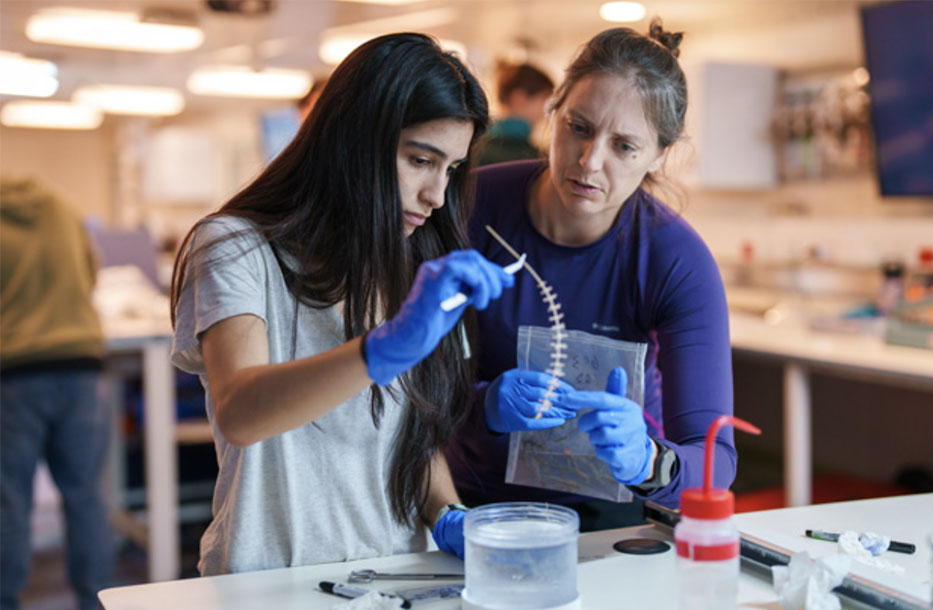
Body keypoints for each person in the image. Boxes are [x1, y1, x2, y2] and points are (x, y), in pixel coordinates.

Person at [169, 32, 513, 576]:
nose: (436, 195)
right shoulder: (235, 248)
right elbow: (240, 410)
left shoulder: (406, 262)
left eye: (450, 169)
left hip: (397, 579)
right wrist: (382, 349)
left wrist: (448, 513)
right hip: (270, 583)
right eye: (421, 159)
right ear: (354, 141)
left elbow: (408, 438)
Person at [446, 21, 736, 530]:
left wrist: (648, 460)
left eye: (624, 146)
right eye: (578, 127)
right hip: (465, 506)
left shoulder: (674, 259)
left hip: (611, 521)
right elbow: (393, 388)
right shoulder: (470, 207)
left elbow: (715, 465)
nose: (589, 161)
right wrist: (481, 406)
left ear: (660, 154)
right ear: (552, 111)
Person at [1, 178, 114, 610]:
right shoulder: (63, 209)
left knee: (9, 500)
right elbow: (91, 272)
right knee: (86, 495)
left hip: (13, 370)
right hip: (80, 364)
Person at [476, 61, 554, 166]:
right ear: (519, 98)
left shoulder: (477, 141)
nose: (548, 110)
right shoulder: (531, 156)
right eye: (544, 99)